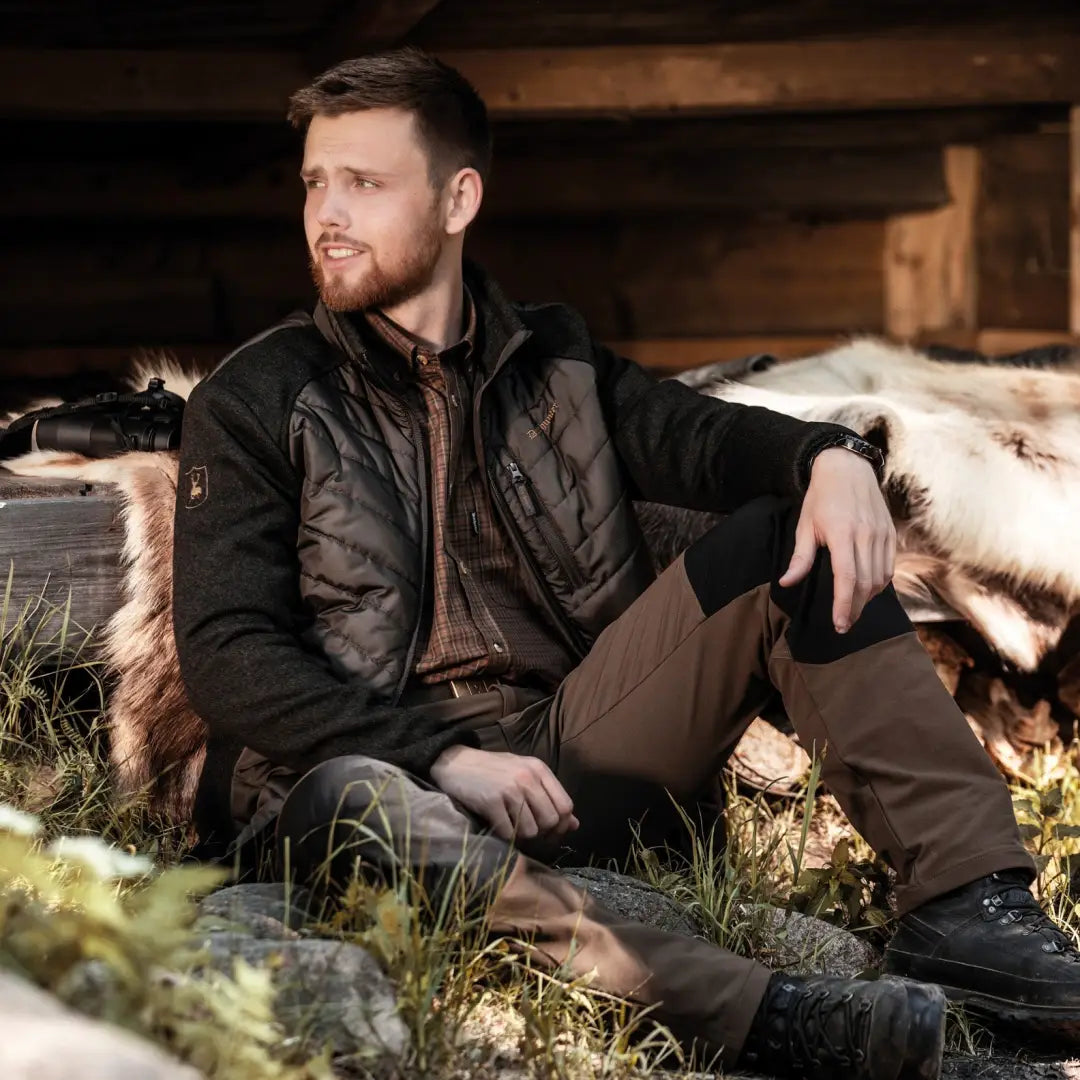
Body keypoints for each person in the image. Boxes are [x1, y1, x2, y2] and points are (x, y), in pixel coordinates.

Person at [171, 47, 1080, 1080]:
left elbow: (701, 437)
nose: (325, 213)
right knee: (355, 797)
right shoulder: (255, 400)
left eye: (364, 183)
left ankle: (969, 905)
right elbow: (226, 651)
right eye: (314, 183)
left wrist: (833, 455)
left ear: (459, 196)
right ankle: (770, 1015)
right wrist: (441, 755)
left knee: (787, 534)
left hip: (567, 754)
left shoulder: (555, 364)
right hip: (372, 778)